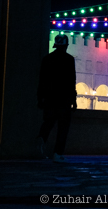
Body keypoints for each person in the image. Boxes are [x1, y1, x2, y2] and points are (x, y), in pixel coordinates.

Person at [36, 33, 77, 162]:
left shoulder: (47, 59)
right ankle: (57, 154)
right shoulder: (69, 60)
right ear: (66, 46)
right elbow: (71, 81)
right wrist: (74, 100)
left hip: (50, 98)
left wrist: (40, 98)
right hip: (64, 99)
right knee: (63, 127)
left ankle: (41, 138)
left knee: (48, 122)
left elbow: (42, 80)